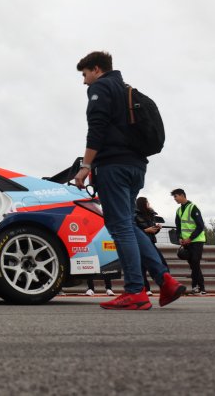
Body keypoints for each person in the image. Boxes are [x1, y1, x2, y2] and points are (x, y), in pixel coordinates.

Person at [73, 51, 185, 310]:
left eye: (85, 74)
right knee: (127, 225)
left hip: (114, 166)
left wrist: (85, 166)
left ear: (97, 69)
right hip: (136, 167)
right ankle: (165, 280)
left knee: (120, 227)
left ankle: (135, 291)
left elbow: (97, 128)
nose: (84, 81)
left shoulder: (101, 87)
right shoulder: (126, 90)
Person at [171, 188, 207, 295]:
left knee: (195, 262)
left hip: (197, 241)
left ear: (182, 195)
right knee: (193, 265)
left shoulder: (193, 207)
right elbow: (178, 227)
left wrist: (190, 238)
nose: (175, 199)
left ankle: (196, 287)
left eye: (176, 196)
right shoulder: (178, 210)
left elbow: (200, 226)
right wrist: (180, 238)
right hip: (186, 242)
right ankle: (201, 288)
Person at [134, 196, 169, 294]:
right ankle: (146, 289)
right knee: (143, 267)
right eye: (147, 202)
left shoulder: (150, 214)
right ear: (142, 204)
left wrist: (157, 228)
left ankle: (165, 286)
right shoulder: (135, 215)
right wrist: (146, 230)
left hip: (151, 242)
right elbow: (134, 231)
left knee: (161, 263)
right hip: (141, 244)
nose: (149, 204)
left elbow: (152, 231)